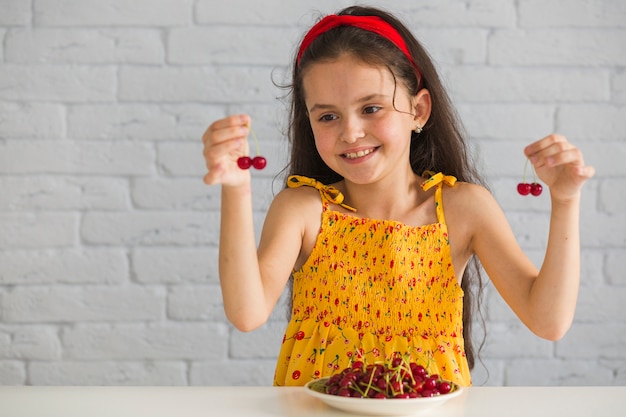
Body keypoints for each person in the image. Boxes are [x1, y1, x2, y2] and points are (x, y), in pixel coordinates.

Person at [201, 6, 595, 387]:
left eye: (371, 108)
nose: (351, 132)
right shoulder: (303, 210)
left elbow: (548, 321)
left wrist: (565, 201)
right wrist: (235, 189)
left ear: (419, 110)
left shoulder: (463, 209)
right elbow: (247, 313)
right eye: (327, 116)